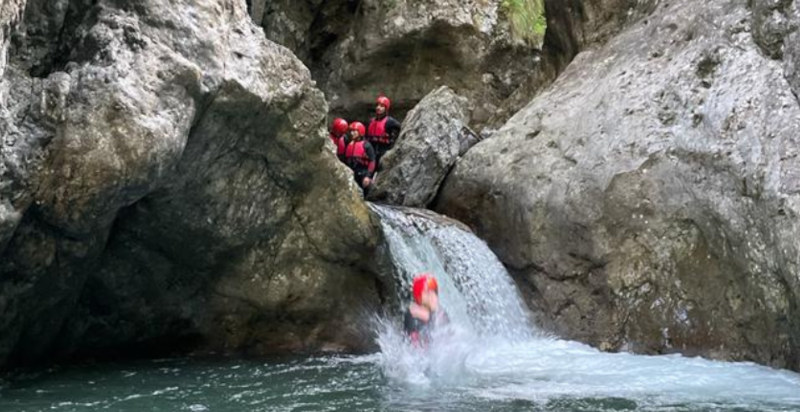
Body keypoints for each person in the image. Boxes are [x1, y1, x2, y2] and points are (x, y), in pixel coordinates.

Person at [404, 273, 449, 347]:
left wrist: (429, 317)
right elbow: (415, 348)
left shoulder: (440, 312)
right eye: (427, 293)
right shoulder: (412, 315)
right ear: (419, 298)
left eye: (434, 291)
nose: (433, 296)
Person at [366, 95, 401, 163]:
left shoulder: (390, 122)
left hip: (383, 153)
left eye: (382, 106)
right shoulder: (371, 121)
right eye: (378, 105)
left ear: (386, 108)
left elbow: (397, 135)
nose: (378, 108)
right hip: (371, 154)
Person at [344, 121, 376, 192]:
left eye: (354, 131)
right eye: (351, 131)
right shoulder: (349, 145)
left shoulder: (367, 145)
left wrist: (368, 176)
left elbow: (372, 161)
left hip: (363, 173)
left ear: (360, 132)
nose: (352, 133)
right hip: (352, 173)